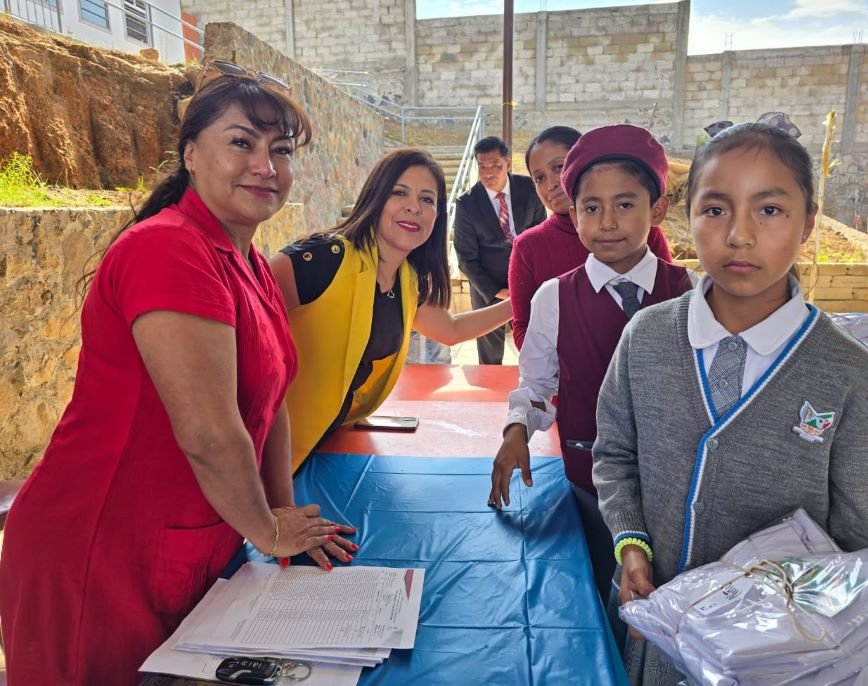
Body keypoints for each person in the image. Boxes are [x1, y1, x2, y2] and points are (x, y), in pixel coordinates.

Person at [0, 68, 358, 685]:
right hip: (100, 549)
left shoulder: (244, 259)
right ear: (191, 153)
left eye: (281, 150)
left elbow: (271, 404)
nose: (265, 165)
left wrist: (281, 516)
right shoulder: (169, 249)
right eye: (242, 142)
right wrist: (267, 530)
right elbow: (209, 430)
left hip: (188, 541)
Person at [593, 122, 868, 685]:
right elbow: (615, 454)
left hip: (778, 663)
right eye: (715, 209)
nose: (738, 235)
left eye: (770, 210)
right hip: (654, 641)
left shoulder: (846, 373)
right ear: (689, 220)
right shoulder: (646, 338)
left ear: (808, 223)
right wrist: (631, 542)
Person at [488, 125, 692, 603]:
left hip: (671, 484)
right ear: (573, 215)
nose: (606, 222)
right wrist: (517, 429)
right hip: (588, 479)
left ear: (656, 210)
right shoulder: (554, 297)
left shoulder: (691, 294)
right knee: (598, 589)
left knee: (664, 593)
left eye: (625, 205)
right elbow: (537, 382)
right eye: (591, 208)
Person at [270, 148, 514, 473]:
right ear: (376, 196)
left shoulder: (407, 279)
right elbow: (240, 318)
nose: (414, 206)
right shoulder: (322, 258)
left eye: (427, 200)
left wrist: (520, 303)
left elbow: (451, 330)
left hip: (328, 449)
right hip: (269, 458)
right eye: (400, 192)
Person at [509, 126, 674, 349]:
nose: (551, 183)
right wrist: (571, 368)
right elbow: (523, 328)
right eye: (539, 178)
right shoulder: (528, 247)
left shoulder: (640, 232)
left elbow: (668, 301)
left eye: (559, 167)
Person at [453, 135, 546, 364]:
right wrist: (497, 291)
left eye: (495, 165)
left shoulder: (529, 189)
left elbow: (541, 236)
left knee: (535, 349)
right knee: (490, 356)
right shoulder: (467, 203)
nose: (488, 173)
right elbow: (466, 257)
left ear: (507, 163)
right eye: (482, 166)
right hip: (488, 288)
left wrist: (535, 280)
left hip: (529, 282)